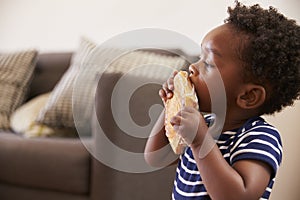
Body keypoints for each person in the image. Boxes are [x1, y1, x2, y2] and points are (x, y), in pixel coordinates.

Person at [144, 1, 300, 200]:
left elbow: (238, 196)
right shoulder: (204, 126)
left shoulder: (260, 137)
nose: (193, 67)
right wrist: (171, 107)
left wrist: (200, 142)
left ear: (247, 96)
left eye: (208, 64)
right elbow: (155, 158)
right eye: (200, 57)